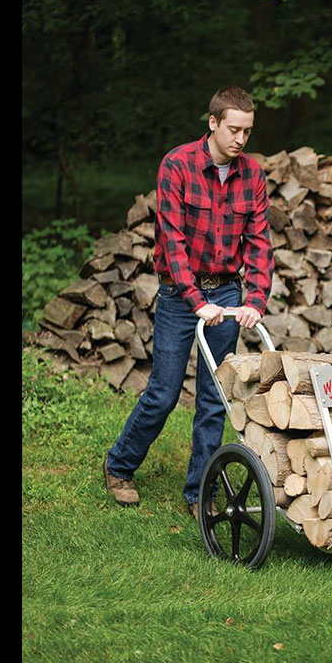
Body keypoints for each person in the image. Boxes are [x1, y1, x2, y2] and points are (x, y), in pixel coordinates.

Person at [102, 86, 274, 521]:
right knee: (162, 393)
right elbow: (171, 241)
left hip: (228, 292)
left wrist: (254, 298)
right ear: (213, 122)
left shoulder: (252, 175)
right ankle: (119, 466)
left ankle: (200, 492)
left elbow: (258, 242)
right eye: (234, 129)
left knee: (215, 398)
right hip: (181, 296)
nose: (240, 139)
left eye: (248, 132)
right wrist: (196, 301)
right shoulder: (177, 165)